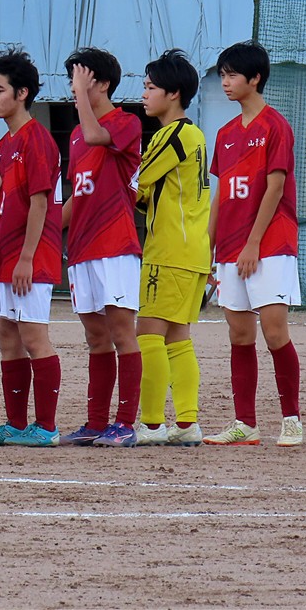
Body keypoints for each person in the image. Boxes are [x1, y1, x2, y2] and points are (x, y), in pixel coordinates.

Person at [203, 40, 303, 447]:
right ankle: (245, 423)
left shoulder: (276, 126)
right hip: (229, 247)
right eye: (222, 75)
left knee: (275, 332)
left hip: (270, 244)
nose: (225, 82)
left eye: (232, 75)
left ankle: (292, 420)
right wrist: (207, 247)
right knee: (239, 334)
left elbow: (275, 187)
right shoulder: (225, 133)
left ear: (255, 77)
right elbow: (221, 195)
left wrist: (253, 243)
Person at [0, 49, 63, 447]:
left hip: (31, 256)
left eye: (0, 90)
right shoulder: (2, 145)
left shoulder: (37, 139)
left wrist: (27, 257)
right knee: (7, 338)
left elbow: (40, 203)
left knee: (33, 337)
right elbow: (1, 207)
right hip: (3, 257)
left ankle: (46, 427)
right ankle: (15, 423)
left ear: (22, 92)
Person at [59, 47, 143, 448]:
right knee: (95, 336)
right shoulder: (76, 135)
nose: (74, 88)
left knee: (122, 331)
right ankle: (95, 422)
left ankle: (125, 423)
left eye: (81, 79)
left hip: (115, 244)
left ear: (103, 83)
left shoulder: (125, 122)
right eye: (72, 81)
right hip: (82, 248)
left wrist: (80, 96)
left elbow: (96, 134)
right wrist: (43, 231)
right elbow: (77, 196)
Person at [134, 50, 210, 447]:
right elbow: (149, 194)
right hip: (192, 251)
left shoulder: (172, 135)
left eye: (150, 87)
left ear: (174, 93)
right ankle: (186, 422)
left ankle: (150, 425)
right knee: (177, 338)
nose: (144, 95)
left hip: (168, 251)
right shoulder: (194, 135)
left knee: (147, 334)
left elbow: (136, 183)